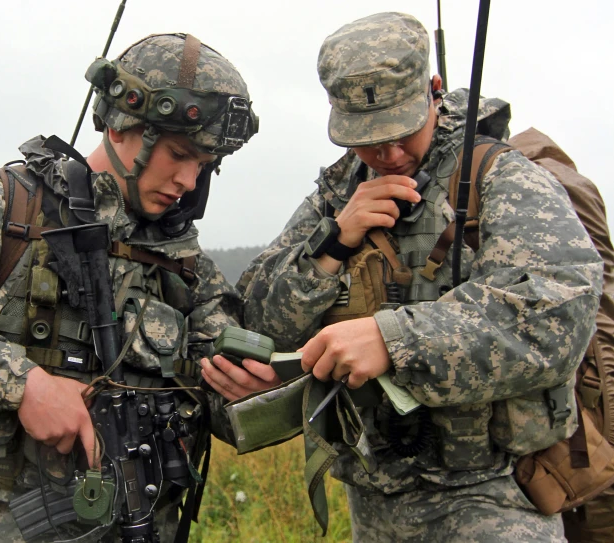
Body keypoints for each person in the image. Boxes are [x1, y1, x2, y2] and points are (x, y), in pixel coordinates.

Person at [202, 12, 603, 542]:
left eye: (401, 132)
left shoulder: (499, 178)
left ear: (434, 93)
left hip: (492, 496)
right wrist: (332, 245)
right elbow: (256, 318)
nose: (387, 154)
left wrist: (395, 340)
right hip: (373, 499)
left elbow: (559, 312)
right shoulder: (336, 195)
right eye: (368, 139)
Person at [0, 32, 266, 542]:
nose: (189, 179)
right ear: (123, 124)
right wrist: (24, 385)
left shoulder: (182, 264)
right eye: (179, 154)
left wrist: (240, 388)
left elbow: (223, 404)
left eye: (205, 165)